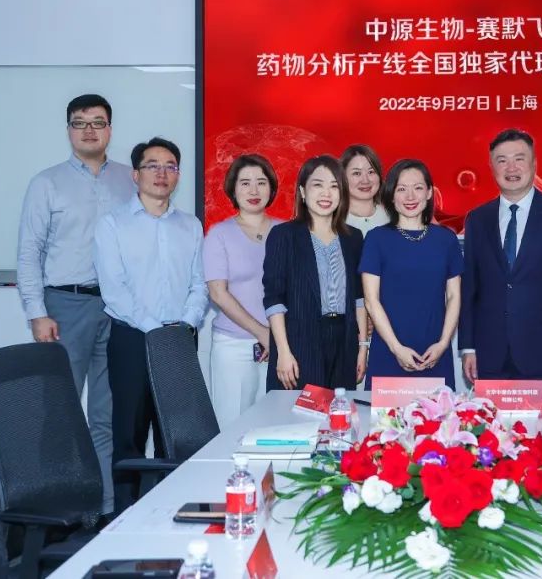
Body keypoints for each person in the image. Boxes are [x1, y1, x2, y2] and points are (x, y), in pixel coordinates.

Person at [16, 93, 134, 517]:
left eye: (97, 122)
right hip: (65, 306)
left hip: (118, 309)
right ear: (68, 130)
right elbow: (29, 252)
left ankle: (104, 508)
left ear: (109, 130)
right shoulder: (46, 183)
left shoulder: (129, 180)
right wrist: (37, 312)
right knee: (60, 410)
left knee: (108, 413)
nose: (89, 130)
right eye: (80, 122)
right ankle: (55, 509)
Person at [94, 137, 206, 514]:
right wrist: (155, 329)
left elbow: (199, 283)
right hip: (132, 339)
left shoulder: (190, 226)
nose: (162, 173)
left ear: (177, 175)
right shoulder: (112, 225)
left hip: (179, 339)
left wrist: (186, 324)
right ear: (135, 174)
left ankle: (172, 513)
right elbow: (114, 291)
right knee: (129, 433)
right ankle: (124, 518)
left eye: (170, 166)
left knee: (177, 435)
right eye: (152, 165)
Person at [459, 128, 542, 382]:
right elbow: (470, 287)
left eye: (519, 158)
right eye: (502, 160)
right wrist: (468, 347)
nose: (511, 168)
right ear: (492, 167)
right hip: (489, 350)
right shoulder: (477, 219)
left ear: (534, 163)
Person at [263, 155, 368, 391]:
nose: (326, 193)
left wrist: (362, 348)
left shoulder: (353, 238)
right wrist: (283, 352)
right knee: (300, 413)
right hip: (299, 343)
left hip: (344, 343)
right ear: (303, 191)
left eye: (334, 186)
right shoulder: (283, 235)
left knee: (339, 411)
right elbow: (274, 299)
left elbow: (359, 299)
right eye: (318, 185)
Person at [360, 159, 463, 389]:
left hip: (434, 352)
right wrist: (396, 348)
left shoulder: (446, 239)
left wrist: (443, 343)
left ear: (429, 193)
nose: (410, 196)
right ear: (391, 195)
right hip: (388, 350)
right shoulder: (376, 239)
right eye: (401, 189)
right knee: (384, 413)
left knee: (439, 412)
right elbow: (371, 300)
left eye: (417, 188)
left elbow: (454, 296)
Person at [203, 154, 281, 430]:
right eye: (245, 183)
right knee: (232, 427)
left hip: (281, 346)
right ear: (233, 189)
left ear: (271, 187)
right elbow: (218, 293)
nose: (254, 190)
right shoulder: (219, 234)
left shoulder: (287, 231)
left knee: (275, 427)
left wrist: (278, 338)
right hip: (234, 346)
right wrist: (262, 333)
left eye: (261, 182)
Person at [342, 144, 390, 236]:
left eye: (371, 172)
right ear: (343, 177)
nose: (365, 180)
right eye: (357, 173)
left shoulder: (392, 217)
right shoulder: (333, 220)